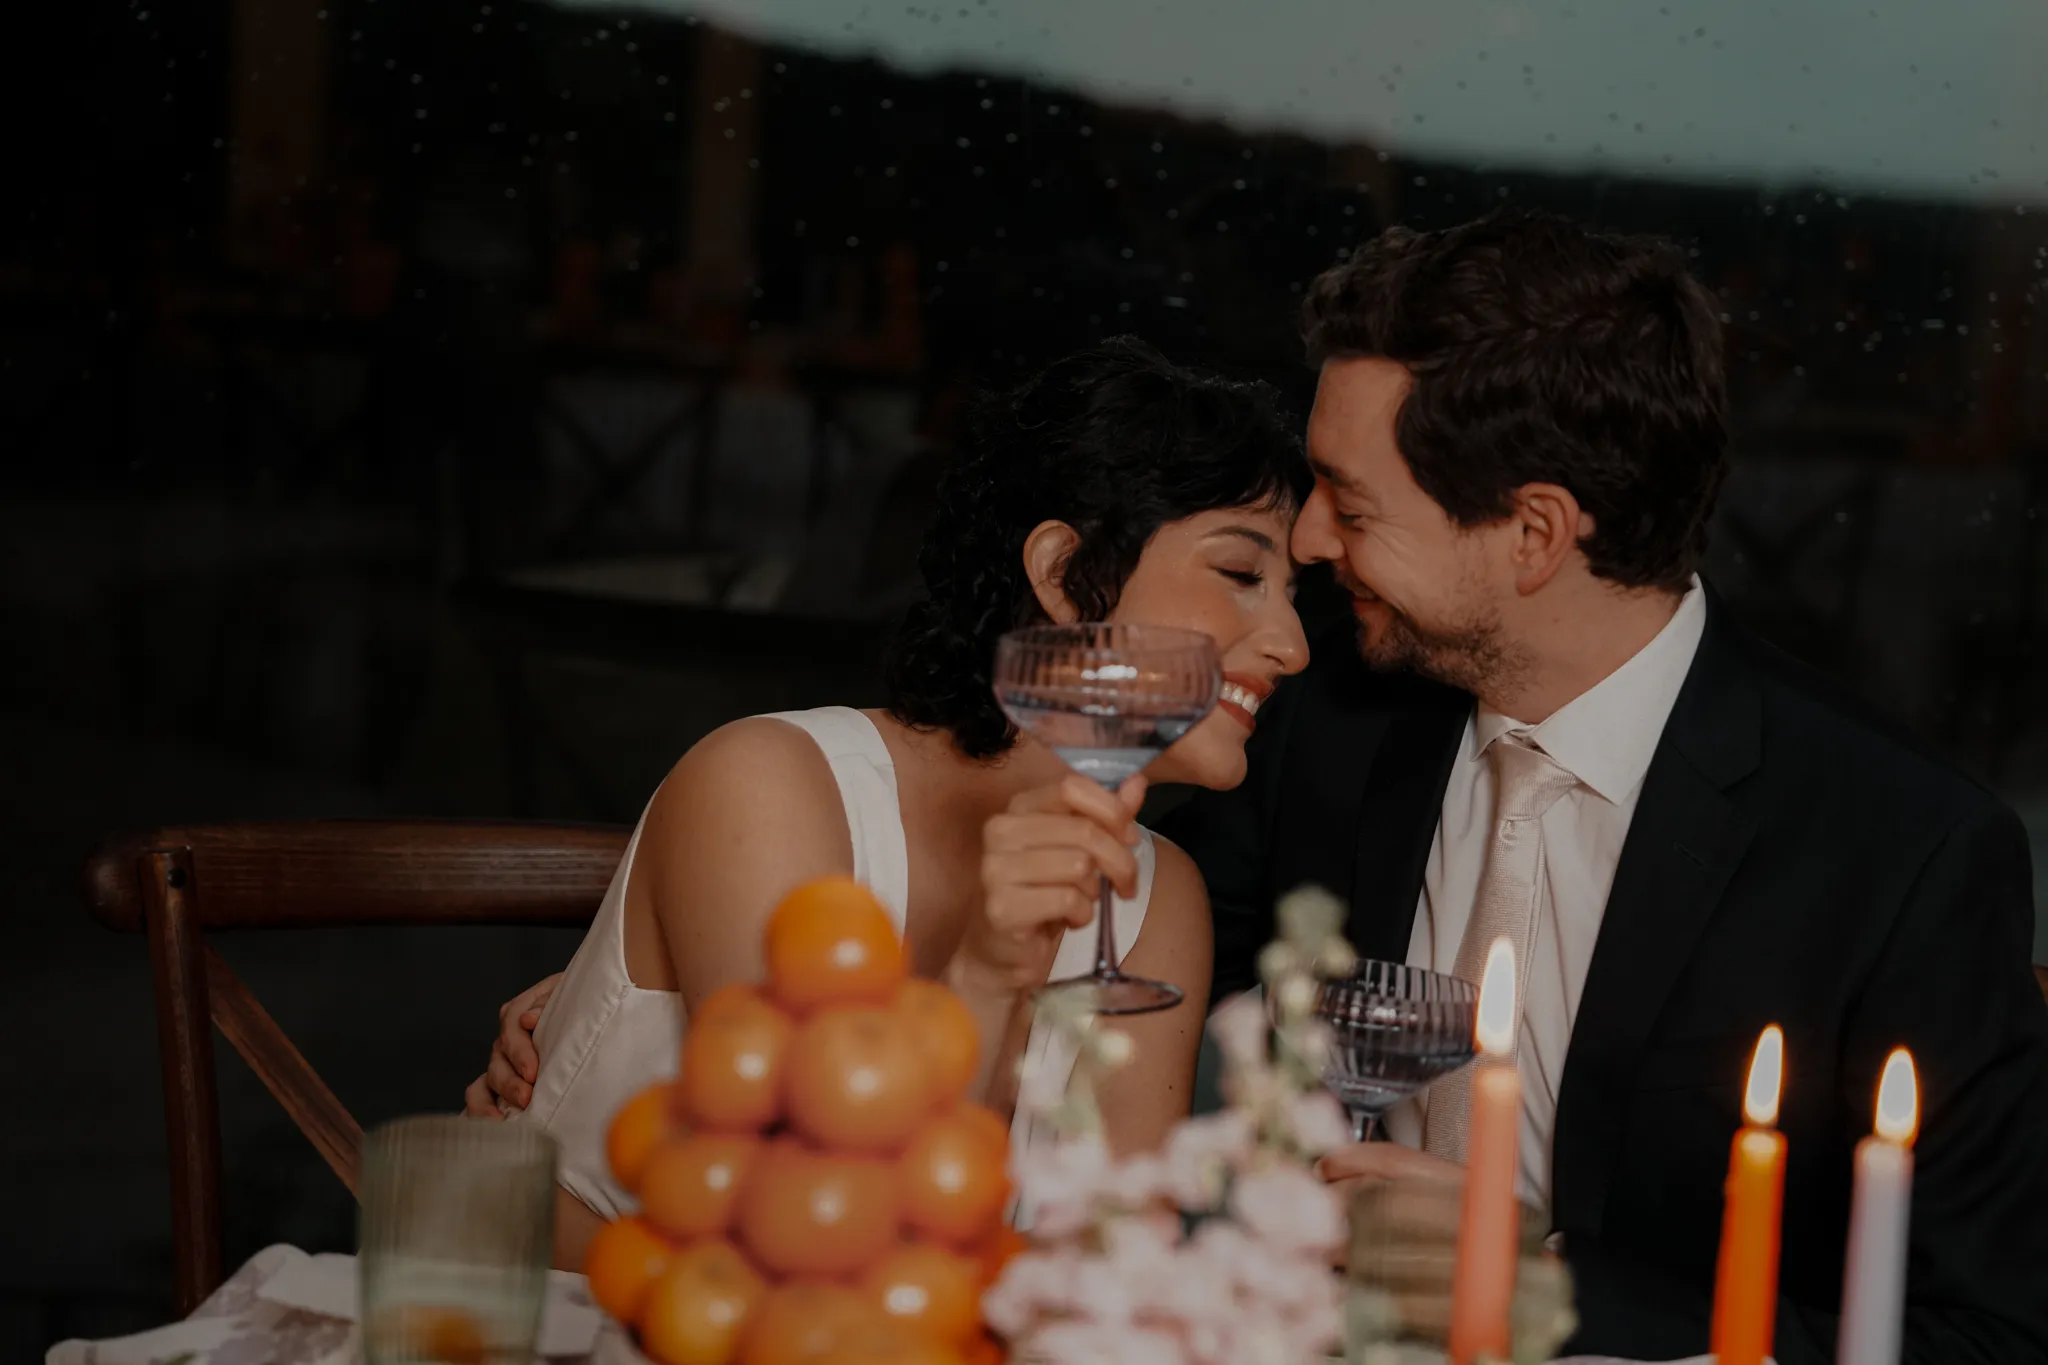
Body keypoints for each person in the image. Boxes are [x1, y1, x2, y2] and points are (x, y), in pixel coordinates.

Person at [1160, 211, 2048, 1362]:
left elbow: (1993, 1335)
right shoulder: (1332, 710)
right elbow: (1178, 979)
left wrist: (1548, 1291)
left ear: (1534, 533)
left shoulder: (1900, 853)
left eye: (1350, 500)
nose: (1314, 541)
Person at [467, 337, 1311, 1268]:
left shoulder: (1158, 900)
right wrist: (990, 973)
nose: (1290, 642)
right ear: (1066, 574)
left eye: (1294, 592)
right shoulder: (767, 785)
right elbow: (814, 1233)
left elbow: (1109, 1282)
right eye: (1242, 574)